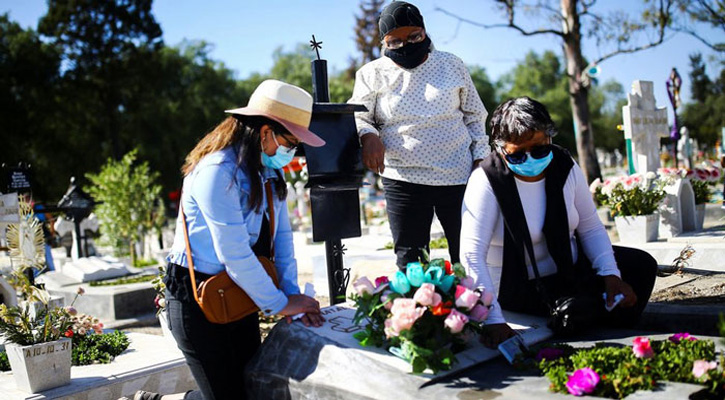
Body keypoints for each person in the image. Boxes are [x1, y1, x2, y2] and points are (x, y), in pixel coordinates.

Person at [135, 80, 325, 400]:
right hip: (197, 297)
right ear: (265, 132)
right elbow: (234, 253)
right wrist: (279, 304)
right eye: (290, 142)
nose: (292, 153)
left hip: (235, 291)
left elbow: (282, 240)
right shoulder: (217, 171)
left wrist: (293, 297)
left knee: (250, 389)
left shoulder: (268, 172)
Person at [460, 97, 657, 348]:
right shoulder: (486, 181)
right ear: (499, 149)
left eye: (540, 148)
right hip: (517, 286)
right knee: (575, 312)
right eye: (518, 154)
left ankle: (614, 331)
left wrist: (611, 274)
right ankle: (580, 322)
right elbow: (472, 255)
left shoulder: (564, 166)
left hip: (566, 272)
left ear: (550, 138)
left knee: (640, 266)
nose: (531, 159)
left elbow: (590, 227)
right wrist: (493, 319)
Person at [349, 1, 490, 270]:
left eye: (414, 37)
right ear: (384, 42)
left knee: (469, 255)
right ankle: (420, 311)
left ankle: (477, 309)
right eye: (395, 42)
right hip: (403, 177)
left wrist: (480, 159)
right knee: (411, 262)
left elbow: (474, 115)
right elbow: (360, 115)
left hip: (458, 175)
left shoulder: (452, 64)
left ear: (424, 31)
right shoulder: (372, 73)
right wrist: (368, 135)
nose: (406, 46)